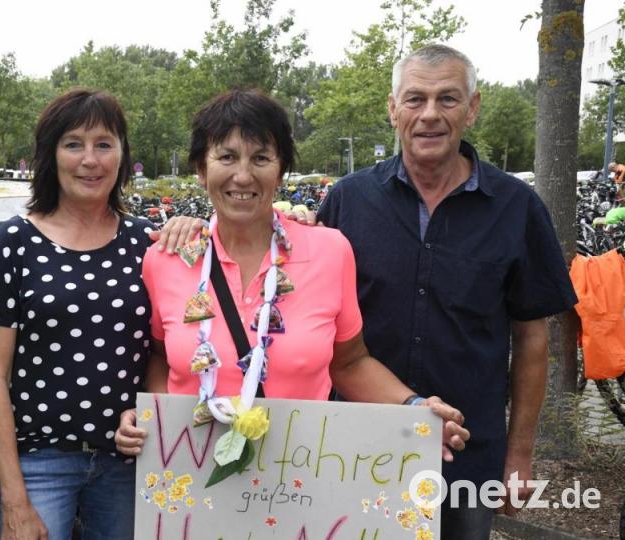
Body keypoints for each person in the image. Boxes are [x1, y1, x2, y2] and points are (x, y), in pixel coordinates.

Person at [115, 89, 468, 465]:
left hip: (298, 475)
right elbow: (159, 359)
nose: (243, 175)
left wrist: (414, 407)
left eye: (261, 158)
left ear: (281, 171)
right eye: (227, 156)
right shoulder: (165, 259)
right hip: (192, 472)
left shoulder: (330, 251)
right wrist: (152, 417)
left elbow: (349, 363)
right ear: (201, 169)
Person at [315, 44, 577, 539]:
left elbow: (532, 341)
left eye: (448, 99)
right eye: (414, 99)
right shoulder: (346, 202)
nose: (429, 114)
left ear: (473, 108)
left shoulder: (517, 208)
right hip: (357, 444)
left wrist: (518, 454)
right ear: (393, 110)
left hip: (467, 452)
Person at [0, 88, 201, 540]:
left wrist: (198, 226)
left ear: (121, 155)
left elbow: (164, 349)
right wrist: (14, 497)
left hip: (128, 462)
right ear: (50, 155)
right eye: (73, 143)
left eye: (104, 144)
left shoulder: (148, 243)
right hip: (39, 463)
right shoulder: (15, 241)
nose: (90, 159)